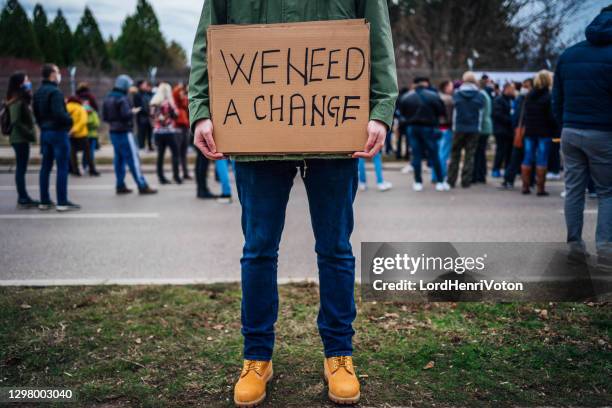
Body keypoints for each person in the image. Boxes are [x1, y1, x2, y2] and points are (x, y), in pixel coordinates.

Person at [189, 1, 397, 406]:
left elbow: (379, 37)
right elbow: (207, 42)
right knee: (258, 250)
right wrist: (201, 110)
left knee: (335, 248)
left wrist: (380, 109)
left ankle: (339, 354)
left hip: (336, 128)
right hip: (255, 129)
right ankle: (257, 357)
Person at [553, 5, 612, 269]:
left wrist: (564, 123)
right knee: (608, 192)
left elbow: (557, 99)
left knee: (574, 191)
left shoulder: (569, 54)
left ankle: (575, 247)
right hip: (603, 132)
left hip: (570, 130)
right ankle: (606, 249)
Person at [33, 64, 80, 212]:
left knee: (45, 167)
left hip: (45, 132)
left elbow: (36, 113)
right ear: (52, 74)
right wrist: (70, 121)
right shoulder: (56, 92)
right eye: (58, 71)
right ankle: (62, 201)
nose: (60, 74)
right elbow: (59, 114)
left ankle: (44, 200)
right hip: (58, 133)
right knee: (62, 166)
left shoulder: (38, 92)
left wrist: (42, 126)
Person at [102, 75, 157, 195]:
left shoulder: (108, 97)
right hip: (124, 132)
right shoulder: (122, 98)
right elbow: (126, 114)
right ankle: (142, 185)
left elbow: (105, 117)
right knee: (133, 159)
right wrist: (133, 111)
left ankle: (120, 185)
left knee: (119, 159)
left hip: (113, 132)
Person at [399, 77, 448, 192]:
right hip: (429, 127)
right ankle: (440, 181)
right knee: (434, 154)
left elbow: (402, 113)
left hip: (412, 127)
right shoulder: (433, 95)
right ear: (425, 85)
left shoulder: (407, 97)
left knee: (416, 155)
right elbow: (441, 111)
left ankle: (418, 182)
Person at [4, 72, 38, 208]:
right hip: (19, 139)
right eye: (26, 80)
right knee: (21, 169)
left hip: (20, 138)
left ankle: (24, 197)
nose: (28, 81)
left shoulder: (19, 98)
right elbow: (16, 121)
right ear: (20, 84)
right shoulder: (16, 100)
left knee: (21, 169)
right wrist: (29, 133)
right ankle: (22, 198)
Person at [447, 72, 485, 189]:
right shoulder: (479, 95)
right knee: (470, 155)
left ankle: (451, 180)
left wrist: (454, 128)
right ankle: (466, 181)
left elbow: (454, 113)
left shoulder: (457, 94)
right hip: (473, 129)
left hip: (459, 128)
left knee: (455, 155)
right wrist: (478, 128)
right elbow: (481, 114)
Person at [520, 70, 556, 196]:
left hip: (530, 130)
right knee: (542, 159)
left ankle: (525, 186)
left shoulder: (529, 95)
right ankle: (540, 188)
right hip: (544, 132)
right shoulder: (549, 96)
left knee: (527, 157)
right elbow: (551, 117)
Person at [501, 78, 533, 189]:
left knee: (516, 156)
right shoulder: (528, 98)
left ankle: (509, 180)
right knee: (529, 157)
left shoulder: (520, 98)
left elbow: (516, 117)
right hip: (530, 131)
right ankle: (530, 182)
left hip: (521, 130)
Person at [150, 82, 181, 185]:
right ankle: (176, 176)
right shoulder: (168, 103)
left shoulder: (154, 102)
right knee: (175, 154)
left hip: (158, 132)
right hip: (169, 132)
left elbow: (151, 116)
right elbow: (176, 115)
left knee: (160, 155)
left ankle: (161, 177)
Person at [472, 78, 493, 184]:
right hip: (486, 126)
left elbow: (481, 113)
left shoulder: (481, 96)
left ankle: (478, 175)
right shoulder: (484, 95)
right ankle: (481, 174)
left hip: (482, 127)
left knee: (478, 152)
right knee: (481, 152)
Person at [492, 83, 516, 178]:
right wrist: (511, 120)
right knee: (500, 151)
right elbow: (497, 114)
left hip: (509, 131)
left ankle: (507, 169)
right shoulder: (499, 100)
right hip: (501, 130)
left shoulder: (511, 99)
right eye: (512, 89)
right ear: (507, 89)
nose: (513, 91)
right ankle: (496, 169)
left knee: (509, 152)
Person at [66, 96, 93, 177]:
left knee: (72, 153)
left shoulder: (65, 107)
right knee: (88, 153)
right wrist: (75, 129)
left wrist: (70, 131)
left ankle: (75, 170)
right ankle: (92, 169)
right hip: (81, 134)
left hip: (70, 134)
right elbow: (83, 121)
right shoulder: (80, 108)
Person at [436, 80, 454, 183]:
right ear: (446, 87)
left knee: (437, 153)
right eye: (451, 86)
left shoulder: (436, 97)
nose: (452, 88)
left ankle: (435, 176)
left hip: (437, 128)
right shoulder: (449, 99)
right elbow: (450, 117)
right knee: (444, 153)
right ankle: (442, 176)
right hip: (446, 128)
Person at [173, 83, 191, 180]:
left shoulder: (184, 104)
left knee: (184, 152)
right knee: (178, 152)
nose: (182, 94)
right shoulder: (176, 103)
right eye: (181, 92)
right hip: (178, 128)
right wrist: (180, 87)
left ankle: (185, 173)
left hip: (185, 127)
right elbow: (176, 94)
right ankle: (177, 174)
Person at [81, 98, 100, 175]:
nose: (86, 106)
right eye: (84, 104)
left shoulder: (93, 113)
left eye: (87, 104)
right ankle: (84, 167)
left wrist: (87, 124)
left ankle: (91, 168)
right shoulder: (82, 112)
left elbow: (97, 124)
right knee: (85, 153)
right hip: (84, 136)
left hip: (92, 136)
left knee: (91, 153)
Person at [133, 80, 154, 151]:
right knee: (141, 133)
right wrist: (147, 112)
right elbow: (138, 107)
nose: (146, 86)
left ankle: (150, 146)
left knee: (150, 132)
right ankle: (141, 147)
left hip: (149, 117)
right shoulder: (137, 95)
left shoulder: (147, 93)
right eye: (145, 84)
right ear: (140, 85)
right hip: (142, 118)